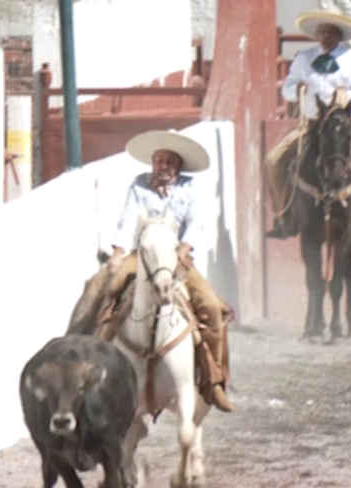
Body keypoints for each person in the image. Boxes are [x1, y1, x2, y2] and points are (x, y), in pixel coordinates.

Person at [66, 130, 235, 413]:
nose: (162, 167)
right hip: (141, 253)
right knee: (101, 288)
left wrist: (184, 248)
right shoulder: (139, 185)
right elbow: (128, 217)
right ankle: (81, 363)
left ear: (178, 167)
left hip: (176, 256)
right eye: (158, 161)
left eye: (168, 162)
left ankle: (213, 380)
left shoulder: (189, 188)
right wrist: (118, 253)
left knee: (211, 307)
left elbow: (195, 221)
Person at [265, 10, 351, 239]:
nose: (326, 36)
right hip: (310, 126)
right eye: (322, 32)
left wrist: (349, 95)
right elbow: (287, 88)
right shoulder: (304, 58)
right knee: (273, 160)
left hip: (345, 128)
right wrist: (298, 90)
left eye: (331, 32)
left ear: (339, 34)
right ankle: (282, 215)